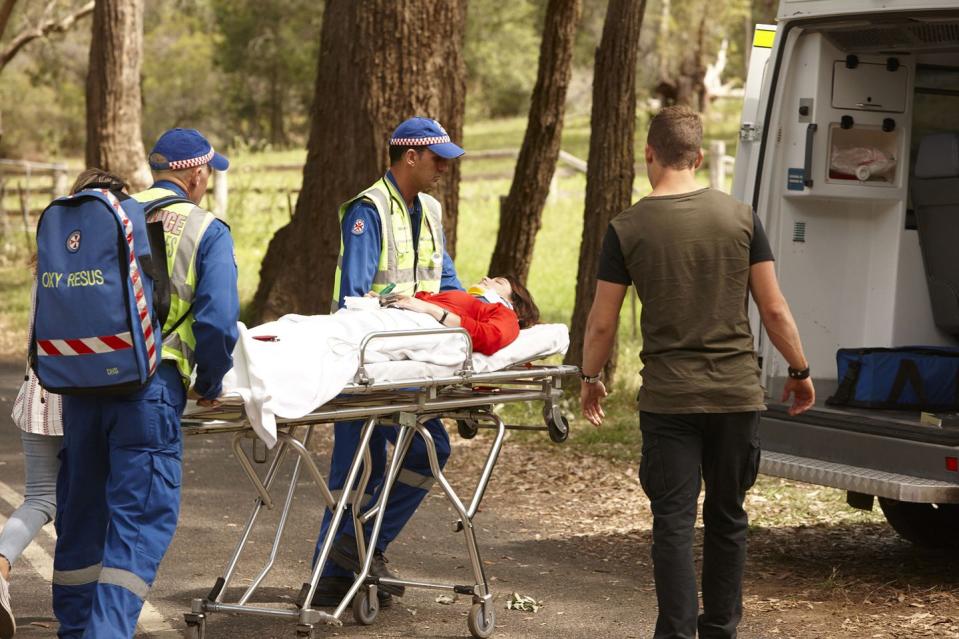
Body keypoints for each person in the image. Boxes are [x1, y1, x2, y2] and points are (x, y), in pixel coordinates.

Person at [579, 105, 815, 639]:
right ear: (700, 156)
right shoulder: (740, 216)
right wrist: (799, 370)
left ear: (650, 154)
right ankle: (721, 630)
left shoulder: (627, 227)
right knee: (728, 517)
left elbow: (601, 322)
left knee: (674, 524)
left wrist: (591, 379)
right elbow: (774, 310)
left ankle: (677, 634)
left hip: (670, 401)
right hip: (736, 395)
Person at [52, 129, 239, 639]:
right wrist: (211, 379)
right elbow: (219, 323)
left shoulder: (110, 215)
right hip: (149, 392)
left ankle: (74, 630)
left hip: (85, 388)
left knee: (82, 518)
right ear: (197, 174)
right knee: (137, 526)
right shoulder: (206, 229)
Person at [312, 116, 465, 607]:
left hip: (416, 364)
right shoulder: (368, 210)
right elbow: (353, 299)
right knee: (356, 472)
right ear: (410, 157)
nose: (445, 166)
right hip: (368, 363)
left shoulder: (432, 210)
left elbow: (448, 283)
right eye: (438, 157)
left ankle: (362, 550)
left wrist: (477, 316)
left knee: (427, 453)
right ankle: (327, 580)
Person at [0, 169, 125, 639]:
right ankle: (91, 608)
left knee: (40, 498)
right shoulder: (106, 260)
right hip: (83, 392)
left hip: (40, 385)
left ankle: (1, 571)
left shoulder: (51, 256)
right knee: (93, 500)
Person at [383, 274, 540, 354]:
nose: (486, 278)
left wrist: (434, 311)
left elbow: (492, 336)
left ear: (513, 302)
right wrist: (382, 299)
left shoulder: (505, 314)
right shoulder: (471, 301)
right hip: (396, 314)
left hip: (414, 324)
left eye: (498, 282)